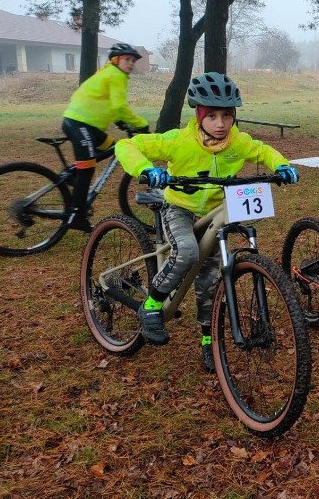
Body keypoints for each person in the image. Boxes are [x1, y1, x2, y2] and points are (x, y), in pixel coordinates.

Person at [115, 72, 299, 372]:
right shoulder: (178, 140)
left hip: (215, 210)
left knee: (211, 280)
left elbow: (263, 150)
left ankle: (207, 340)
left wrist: (281, 165)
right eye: (212, 115)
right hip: (179, 207)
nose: (221, 123)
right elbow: (127, 147)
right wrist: (146, 169)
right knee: (187, 252)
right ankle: (151, 305)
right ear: (199, 115)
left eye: (227, 115)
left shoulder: (238, 142)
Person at [61, 42, 150, 232]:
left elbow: (109, 103)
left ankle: (74, 173)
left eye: (133, 60)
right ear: (116, 60)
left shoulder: (109, 73)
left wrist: (119, 121)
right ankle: (77, 214)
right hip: (80, 124)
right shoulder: (116, 75)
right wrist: (141, 124)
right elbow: (119, 107)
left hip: (87, 125)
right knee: (88, 169)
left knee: (114, 148)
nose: (131, 63)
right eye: (127, 59)